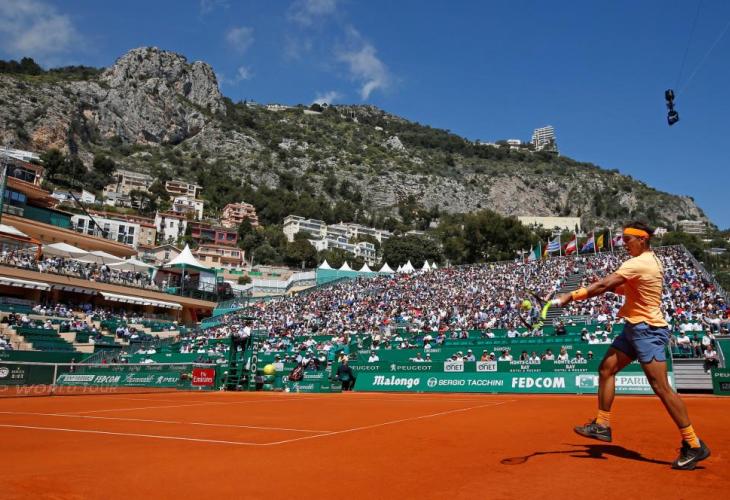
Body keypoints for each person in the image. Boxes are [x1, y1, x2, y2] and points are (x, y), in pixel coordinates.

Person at [553, 221, 710, 470]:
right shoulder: (650, 260)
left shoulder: (640, 262)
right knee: (606, 369)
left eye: (628, 240)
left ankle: (693, 444)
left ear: (642, 240)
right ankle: (602, 425)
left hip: (648, 330)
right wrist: (605, 287)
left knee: (662, 388)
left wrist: (571, 296)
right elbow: (625, 288)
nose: (624, 244)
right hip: (634, 328)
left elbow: (605, 285)